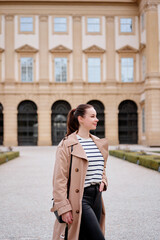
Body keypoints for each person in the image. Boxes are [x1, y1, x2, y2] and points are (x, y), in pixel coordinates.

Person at [51, 104, 108, 240]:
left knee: (84, 237)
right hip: (80, 198)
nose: (97, 119)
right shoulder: (66, 144)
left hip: (97, 197)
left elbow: (102, 167)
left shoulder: (98, 143)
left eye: (96, 116)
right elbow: (59, 179)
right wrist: (63, 207)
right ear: (81, 119)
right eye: (92, 116)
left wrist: (103, 181)